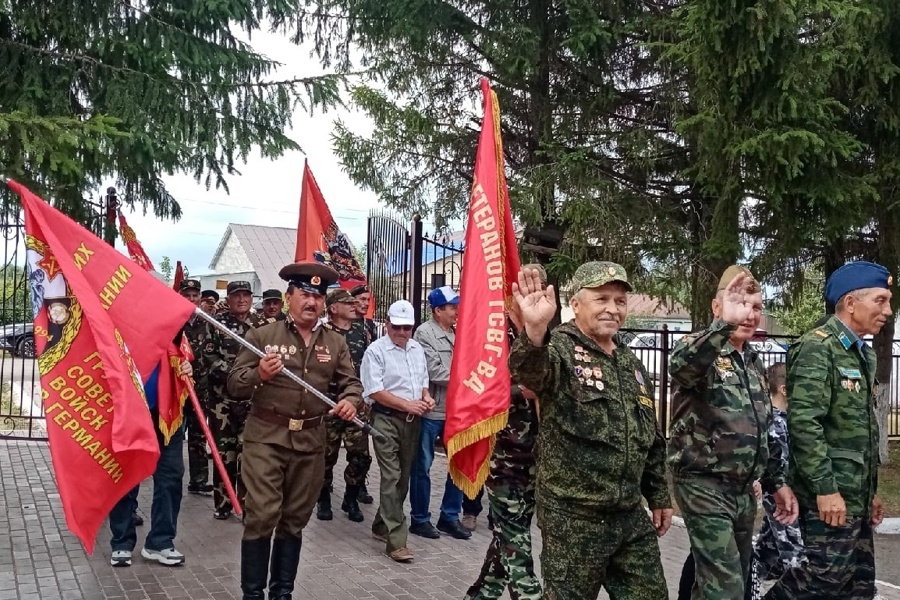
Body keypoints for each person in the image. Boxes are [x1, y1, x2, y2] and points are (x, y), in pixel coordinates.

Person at [509, 262, 672, 600]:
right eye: (601, 299)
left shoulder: (630, 362)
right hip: (574, 518)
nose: (613, 308)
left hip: (628, 516)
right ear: (577, 304)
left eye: (620, 301)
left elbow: (649, 436)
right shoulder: (560, 351)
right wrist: (536, 331)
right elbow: (530, 372)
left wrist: (658, 495)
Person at [228, 262, 363, 600]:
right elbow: (234, 384)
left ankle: (282, 592)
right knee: (263, 513)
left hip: (310, 442)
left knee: (294, 519)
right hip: (266, 439)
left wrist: (350, 401)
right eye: (304, 294)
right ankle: (253, 594)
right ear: (289, 297)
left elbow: (352, 384)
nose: (311, 302)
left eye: (317, 296)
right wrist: (259, 372)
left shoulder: (334, 342)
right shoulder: (263, 336)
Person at [669, 265, 798, 600]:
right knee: (725, 588)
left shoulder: (753, 362)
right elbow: (681, 366)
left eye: (756, 307)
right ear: (717, 306)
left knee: (729, 581)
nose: (748, 313)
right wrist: (723, 326)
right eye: (740, 303)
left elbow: (764, 429)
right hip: (704, 485)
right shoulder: (701, 349)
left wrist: (777, 482)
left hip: (743, 492)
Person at [766, 261, 890, 599]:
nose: (888, 311)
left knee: (859, 586)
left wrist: (870, 492)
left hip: (855, 496)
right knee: (821, 580)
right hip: (830, 496)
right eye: (880, 301)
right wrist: (825, 489)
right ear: (851, 303)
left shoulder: (862, 355)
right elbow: (805, 423)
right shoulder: (818, 347)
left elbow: (858, 432)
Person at [465, 264, 547, 600]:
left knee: (508, 533)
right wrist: (520, 389)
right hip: (505, 454)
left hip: (540, 456)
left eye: (539, 288)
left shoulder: (546, 335)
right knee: (514, 533)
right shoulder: (493, 335)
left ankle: (481, 595)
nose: (533, 294)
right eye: (527, 288)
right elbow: (476, 387)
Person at [361, 299, 434, 562]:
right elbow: (374, 391)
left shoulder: (416, 349)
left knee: (403, 478)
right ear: (388, 324)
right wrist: (407, 404)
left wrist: (426, 398)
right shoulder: (375, 351)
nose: (402, 333)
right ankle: (396, 541)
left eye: (407, 328)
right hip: (386, 419)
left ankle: (382, 524)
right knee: (391, 476)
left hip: (413, 422)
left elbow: (422, 381)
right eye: (397, 327)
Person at [109, 359, 193, 567]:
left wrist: (188, 366)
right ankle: (122, 541)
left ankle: (160, 541)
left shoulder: (171, 330)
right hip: (127, 410)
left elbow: (183, 352)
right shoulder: (116, 327)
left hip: (166, 412)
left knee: (171, 475)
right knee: (125, 475)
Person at [409, 286, 471, 540]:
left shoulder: (457, 333)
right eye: (452, 307)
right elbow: (435, 372)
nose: (457, 311)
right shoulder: (425, 333)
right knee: (422, 466)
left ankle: (449, 516)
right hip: (433, 409)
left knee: (458, 465)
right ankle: (420, 519)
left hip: (455, 410)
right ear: (437, 310)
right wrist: (469, 380)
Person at [747, 362, 805, 599]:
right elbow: (767, 459)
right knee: (798, 556)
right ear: (784, 389)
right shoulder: (772, 421)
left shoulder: (787, 419)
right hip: (778, 497)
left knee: (767, 551)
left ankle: (748, 588)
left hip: (787, 494)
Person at [316, 288, 374, 522]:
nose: (354, 305)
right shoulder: (322, 333)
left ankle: (351, 498)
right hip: (329, 405)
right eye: (347, 302)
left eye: (354, 302)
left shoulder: (363, 330)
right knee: (325, 457)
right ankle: (323, 500)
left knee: (361, 456)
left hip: (356, 405)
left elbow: (369, 365)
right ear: (333, 308)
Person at [202, 280, 257, 520]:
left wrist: (250, 378)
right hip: (222, 400)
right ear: (229, 298)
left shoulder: (262, 326)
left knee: (248, 454)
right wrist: (234, 375)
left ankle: (245, 504)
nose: (242, 300)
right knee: (224, 455)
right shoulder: (216, 323)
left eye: (246, 295)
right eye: (237, 296)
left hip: (252, 401)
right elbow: (208, 354)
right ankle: (224, 503)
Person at [178, 278, 213, 496]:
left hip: (201, 389)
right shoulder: (172, 321)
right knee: (172, 435)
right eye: (187, 295)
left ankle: (198, 480)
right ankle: (169, 476)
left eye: (195, 295)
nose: (191, 299)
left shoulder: (208, 322)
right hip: (178, 388)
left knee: (199, 435)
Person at [349, 283, 378, 505]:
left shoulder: (369, 325)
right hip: (344, 390)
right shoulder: (343, 325)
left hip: (364, 390)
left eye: (367, 300)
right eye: (361, 299)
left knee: (361, 445)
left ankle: (359, 485)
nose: (365, 303)